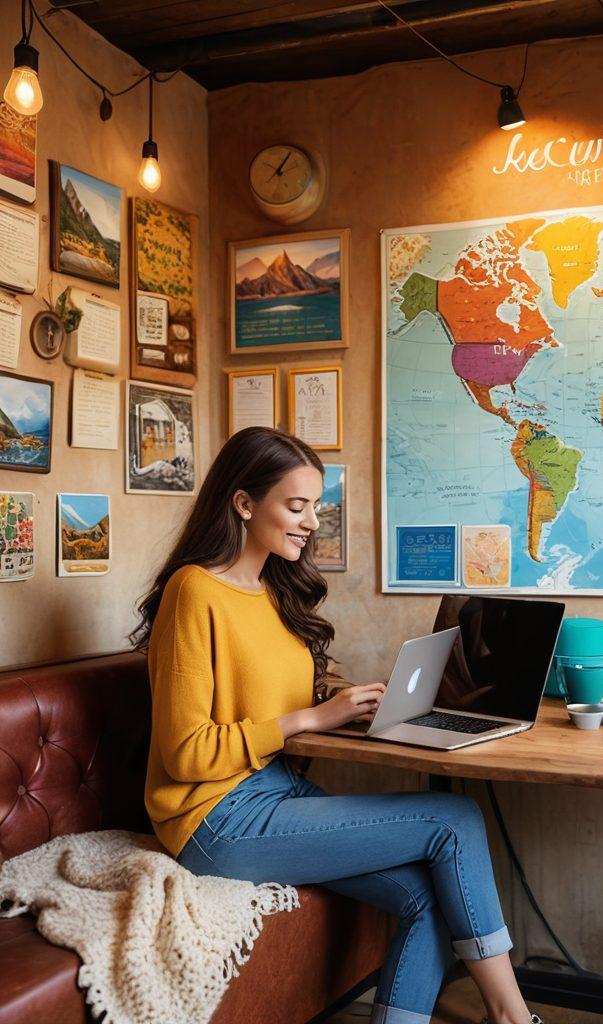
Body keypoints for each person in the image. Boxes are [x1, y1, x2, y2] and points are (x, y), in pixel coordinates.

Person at [131, 427, 543, 1024]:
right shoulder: (194, 592)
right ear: (244, 504)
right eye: (295, 506)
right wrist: (311, 717)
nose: (310, 521)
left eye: (314, 506)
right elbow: (186, 755)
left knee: (427, 895)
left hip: (274, 791)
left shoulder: (271, 588)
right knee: (455, 819)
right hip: (213, 819)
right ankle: (512, 1017)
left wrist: (341, 700)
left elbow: (260, 697)